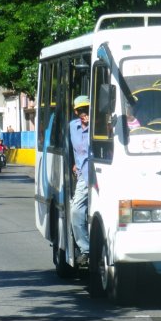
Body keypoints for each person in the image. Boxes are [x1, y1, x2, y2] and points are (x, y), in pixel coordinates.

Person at [70, 95, 91, 265]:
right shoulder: (72, 126)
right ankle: (85, 249)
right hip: (83, 176)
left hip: (100, 174)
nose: (84, 114)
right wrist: (75, 164)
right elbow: (74, 150)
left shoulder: (98, 126)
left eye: (87, 109)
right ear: (76, 112)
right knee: (76, 211)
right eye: (81, 110)